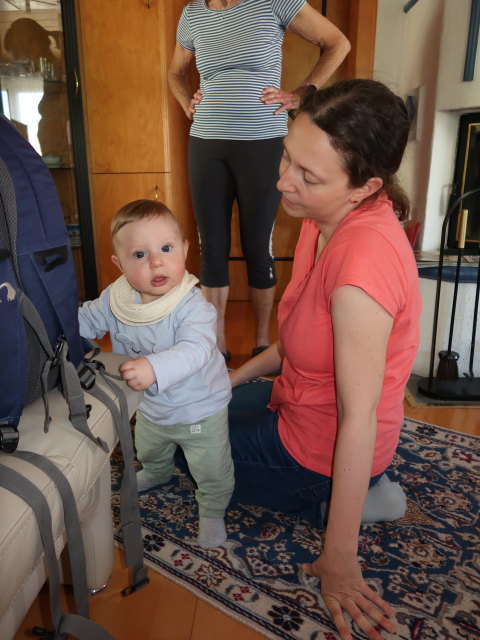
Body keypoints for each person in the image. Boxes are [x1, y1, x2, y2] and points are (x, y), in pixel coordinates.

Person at [227, 79, 422, 640]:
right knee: (196, 405)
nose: (282, 180)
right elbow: (297, 340)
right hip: (301, 397)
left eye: (307, 176)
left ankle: (343, 499)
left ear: (366, 188)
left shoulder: (363, 266)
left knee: (189, 447)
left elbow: (357, 417)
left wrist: (339, 558)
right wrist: (231, 378)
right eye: (288, 156)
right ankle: (360, 487)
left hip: (320, 445)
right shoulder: (320, 219)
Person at [168, 0, 350, 361]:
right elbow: (175, 72)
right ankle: (216, 345)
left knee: (258, 248)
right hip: (207, 143)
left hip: (262, 142)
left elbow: (337, 43)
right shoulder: (192, 14)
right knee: (212, 248)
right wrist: (187, 101)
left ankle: (262, 341)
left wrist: (303, 93)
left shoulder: (274, 3)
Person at [78, 199, 234, 550]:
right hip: (151, 407)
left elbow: (196, 349)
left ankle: (212, 509)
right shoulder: (116, 299)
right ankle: (159, 471)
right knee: (149, 446)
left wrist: (154, 367)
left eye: (166, 248)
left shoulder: (192, 305)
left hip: (199, 409)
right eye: (139, 255)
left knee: (211, 467)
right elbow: (86, 321)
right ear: (119, 264)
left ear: (184, 249)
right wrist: (61, 325)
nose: (156, 261)